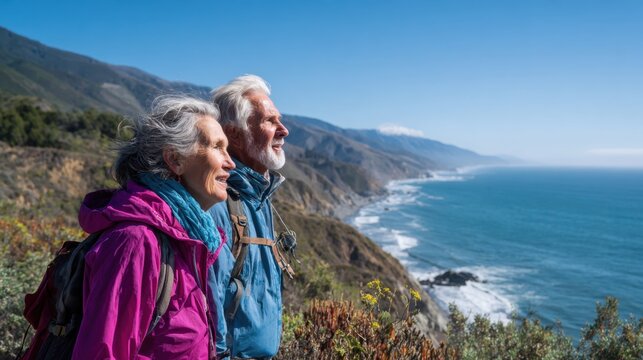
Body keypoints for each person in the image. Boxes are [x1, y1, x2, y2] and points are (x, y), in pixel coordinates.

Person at [73, 95, 234, 358]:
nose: (231, 163)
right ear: (175, 159)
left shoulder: (187, 240)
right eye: (217, 147)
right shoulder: (136, 242)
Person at [208, 75, 290, 359]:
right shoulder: (217, 204)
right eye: (270, 121)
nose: (284, 130)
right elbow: (209, 302)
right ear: (234, 134)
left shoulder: (258, 195)